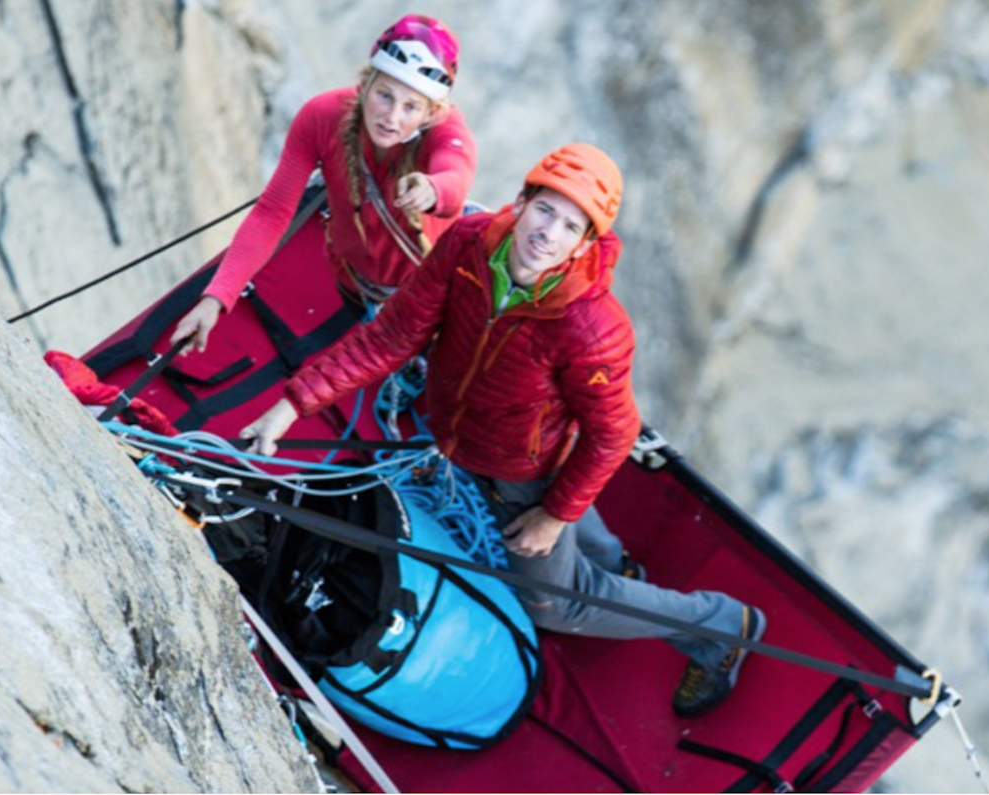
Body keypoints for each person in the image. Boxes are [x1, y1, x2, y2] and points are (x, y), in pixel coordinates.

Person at [241, 144, 765, 716]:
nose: (549, 234)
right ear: (521, 202)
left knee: (558, 604)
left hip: (524, 469)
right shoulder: (468, 245)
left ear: (586, 244)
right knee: (577, 543)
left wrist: (555, 515)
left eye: (570, 226)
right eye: (545, 211)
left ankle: (718, 628)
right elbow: (391, 337)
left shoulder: (590, 326)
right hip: (478, 440)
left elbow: (615, 433)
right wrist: (293, 404)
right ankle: (615, 565)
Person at [171, 14, 477, 355]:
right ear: (366, 83)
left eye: (410, 107)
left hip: (417, 308)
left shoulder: (447, 133)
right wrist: (217, 297)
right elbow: (272, 213)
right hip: (347, 282)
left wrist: (433, 189)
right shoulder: (323, 116)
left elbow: (456, 175)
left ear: (431, 114)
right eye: (385, 96)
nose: (392, 117)